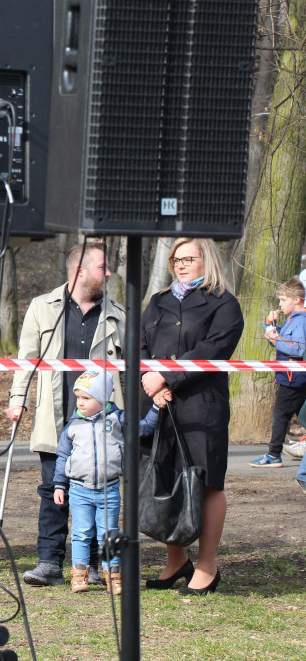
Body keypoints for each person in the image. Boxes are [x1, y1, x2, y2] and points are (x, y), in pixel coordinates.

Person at [5, 242, 124, 587]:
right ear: (80, 271)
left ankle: (102, 566)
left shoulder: (116, 314)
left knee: (103, 495)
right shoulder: (42, 308)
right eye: (102, 267)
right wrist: (18, 398)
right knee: (53, 491)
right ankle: (50, 562)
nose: (109, 273)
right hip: (55, 420)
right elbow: (26, 358)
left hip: (103, 424)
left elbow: (127, 370)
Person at [141, 237, 243, 595]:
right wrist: (147, 380)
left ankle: (206, 565)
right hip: (161, 403)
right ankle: (176, 561)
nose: (181, 265)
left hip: (203, 405)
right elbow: (141, 346)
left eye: (189, 258)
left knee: (208, 482)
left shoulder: (225, 304)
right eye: (175, 259)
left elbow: (213, 349)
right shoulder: (158, 302)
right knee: (169, 480)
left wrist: (165, 375)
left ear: (207, 260)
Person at [53, 370, 158, 594]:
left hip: (109, 488)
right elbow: (63, 456)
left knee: (109, 532)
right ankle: (79, 575)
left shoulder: (117, 419)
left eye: (87, 398)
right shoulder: (73, 425)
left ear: (102, 399)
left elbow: (144, 428)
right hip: (79, 489)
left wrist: (157, 407)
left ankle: (113, 575)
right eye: (78, 397)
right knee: (81, 532)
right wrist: (59, 484)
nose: (80, 403)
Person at [249, 277, 306, 468]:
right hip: (291, 377)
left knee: (281, 415)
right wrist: (268, 323)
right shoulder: (292, 319)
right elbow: (276, 336)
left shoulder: (301, 321)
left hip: (293, 378)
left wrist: (276, 340)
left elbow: (297, 348)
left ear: (297, 299)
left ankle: (273, 455)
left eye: (283, 300)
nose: (280, 304)